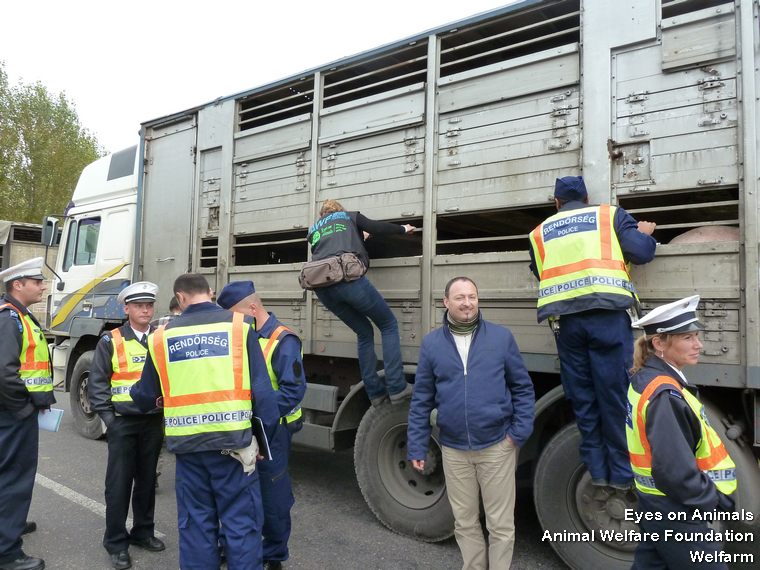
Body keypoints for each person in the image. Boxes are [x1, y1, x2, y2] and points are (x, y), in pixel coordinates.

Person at [130, 273, 279, 570]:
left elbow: (145, 394)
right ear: (210, 293)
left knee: (196, 526)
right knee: (241, 525)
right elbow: (264, 396)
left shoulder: (161, 337)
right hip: (234, 448)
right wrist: (262, 443)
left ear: (180, 298)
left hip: (189, 450)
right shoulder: (239, 327)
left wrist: (150, 397)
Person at [527, 175, 657, 490]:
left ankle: (597, 472)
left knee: (583, 398)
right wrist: (644, 234)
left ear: (556, 202)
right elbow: (641, 252)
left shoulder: (539, 232)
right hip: (608, 319)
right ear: (586, 197)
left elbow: (539, 269)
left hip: (567, 326)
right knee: (613, 397)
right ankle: (622, 476)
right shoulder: (608, 215)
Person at [407, 277, 535, 570]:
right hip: (453, 449)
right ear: (446, 302)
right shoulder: (431, 344)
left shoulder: (501, 338)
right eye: (460, 297)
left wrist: (517, 435)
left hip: (496, 447)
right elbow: (421, 401)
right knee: (464, 523)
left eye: (472, 297)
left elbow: (523, 389)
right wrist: (416, 445)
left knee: (500, 525)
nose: (467, 303)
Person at [627, 295, 737, 569]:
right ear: (659, 343)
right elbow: (674, 471)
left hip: (656, 504)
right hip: (678, 511)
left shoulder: (646, 379)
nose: (699, 344)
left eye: (697, 336)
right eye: (688, 338)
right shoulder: (664, 392)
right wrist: (711, 500)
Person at [217, 281, 306, 570]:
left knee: (274, 497)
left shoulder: (283, 339)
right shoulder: (242, 335)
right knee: (238, 492)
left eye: (235, 314)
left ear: (252, 308)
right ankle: (232, 546)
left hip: (273, 431)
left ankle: (273, 555)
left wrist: (259, 421)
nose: (232, 321)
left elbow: (292, 391)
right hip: (243, 428)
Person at [307, 199, 415, 407]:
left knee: (364, 333)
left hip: (323, 289)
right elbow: (377, 227)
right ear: (339, 210)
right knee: (388, 325)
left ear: (322, 215)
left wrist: (359, 238)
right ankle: (397, 387)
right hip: (348, 281)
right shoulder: (349, 216)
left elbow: (332, 249)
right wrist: (403, 228)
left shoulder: (314, 230)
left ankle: (374, 393)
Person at [88, 282, 165, 570]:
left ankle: (143, 532)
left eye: (149, 305)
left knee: (147, 482)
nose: (145, 309)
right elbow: (97, 385)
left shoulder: (160, 338)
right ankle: (116, 543)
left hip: (152, 422)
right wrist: (109, 420)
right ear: (126, 309)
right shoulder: (111, 340)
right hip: (123, 422)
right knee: (118, 486)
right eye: (139, 305)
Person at [0, 257, 54, 570]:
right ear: (18, 285)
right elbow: (5, 373)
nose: (43, 286)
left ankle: (10, 526)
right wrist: (23, 408)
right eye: (37, 281)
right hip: (13, 414)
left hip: (15, 412)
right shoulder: (10, 319)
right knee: (14, 480)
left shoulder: (20, 315)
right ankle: (7, 552)